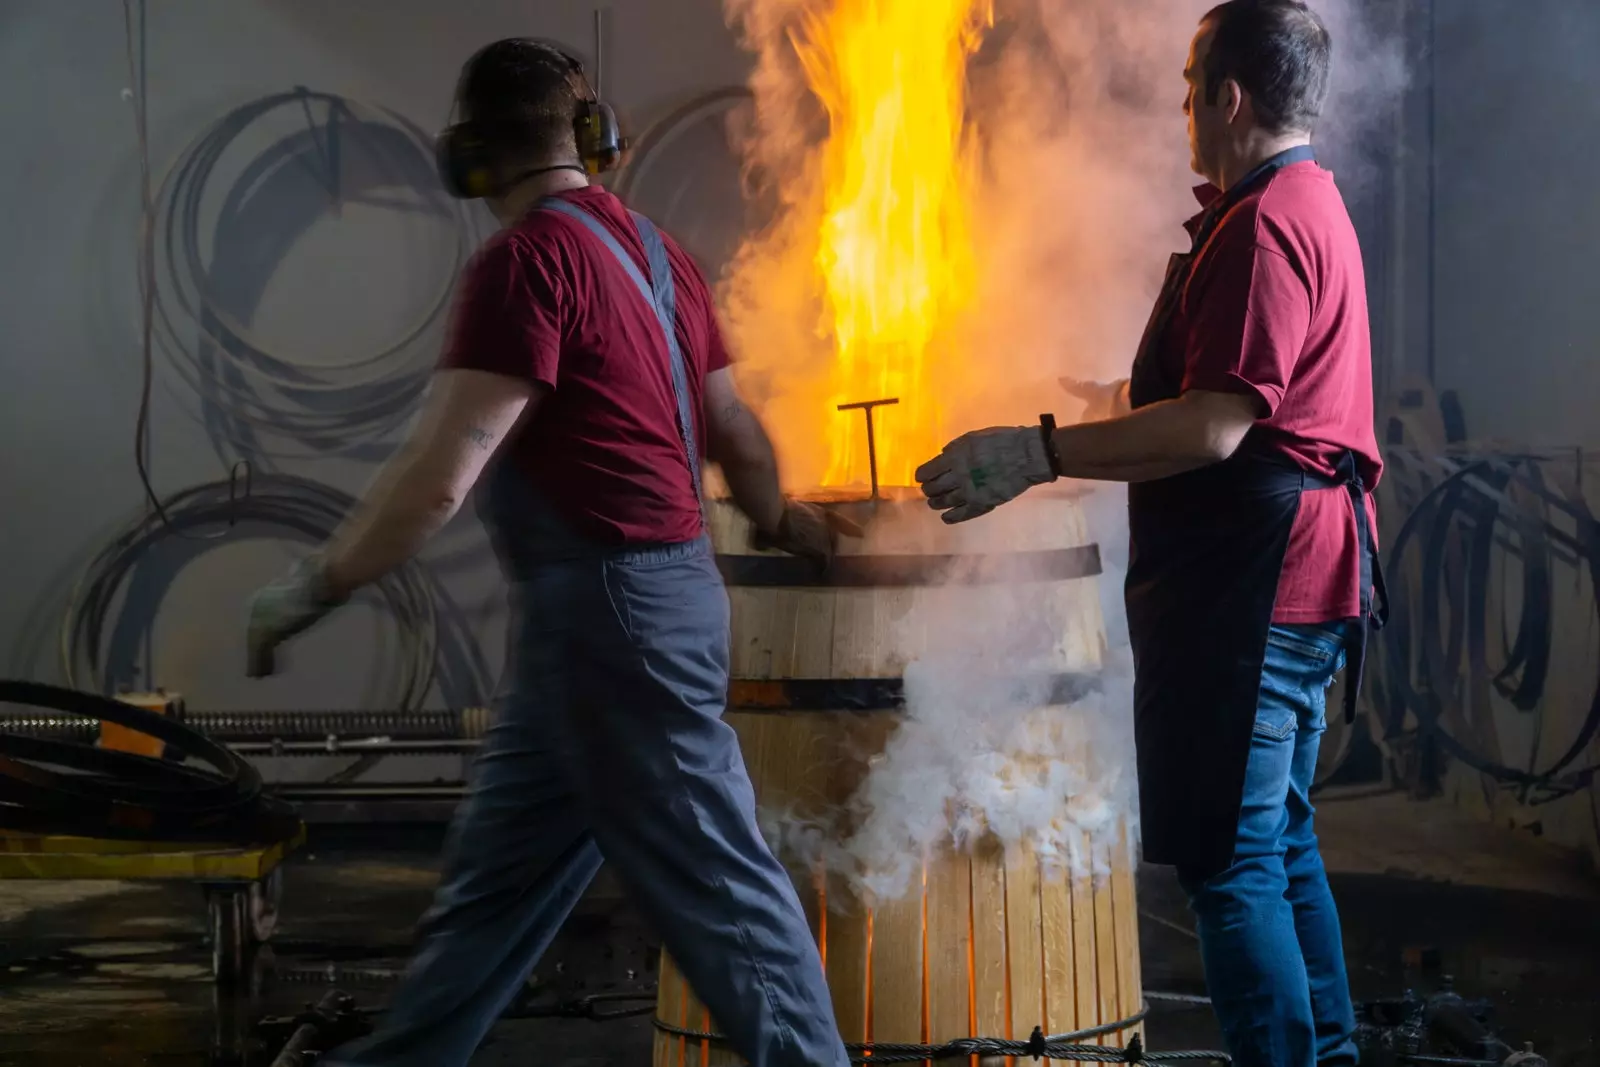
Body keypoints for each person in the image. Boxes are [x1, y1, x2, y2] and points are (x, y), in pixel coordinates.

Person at [244, 37, 852, 1067]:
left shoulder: (522, 263)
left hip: (613, 617)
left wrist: (310, 588)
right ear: (591, 138)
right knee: (494, 892)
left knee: (722, 889)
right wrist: (785, 521)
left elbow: (440, 474)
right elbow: (735, 433)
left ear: (470, 155)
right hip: (638, 606)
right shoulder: (659, 257)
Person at [915, 4, 1382, 1066]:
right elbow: (1238, 387)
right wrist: (1120, 398)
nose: (1178, 109)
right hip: (1299, 582)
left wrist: (1036, 453)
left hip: (1259, 588)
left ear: (1227, 97)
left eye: (1186, 86)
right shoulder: (1304, 202)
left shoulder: (1263, 226)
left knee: (1231, 866)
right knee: (1280, 842)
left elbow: (1218, 427)